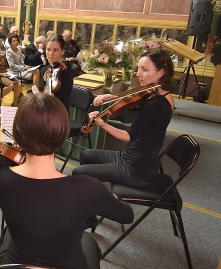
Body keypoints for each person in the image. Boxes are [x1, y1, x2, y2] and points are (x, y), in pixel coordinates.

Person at [0, 94, 133, 269]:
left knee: (8, 236)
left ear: (17, 132)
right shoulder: (88, 188)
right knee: (90, 245)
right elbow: (127, 216)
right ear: (63, 134)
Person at [72, 49, 176, 187]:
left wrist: (102, 124)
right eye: (139, 68)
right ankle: (91, 191)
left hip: (135, 168)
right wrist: (112, 97)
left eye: (144, 70)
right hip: (131, 156)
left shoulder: (157, 104)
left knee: (77, 172)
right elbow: (134, 102)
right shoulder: (160, 94)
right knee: (86, 155)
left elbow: (128, 136)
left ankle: (91, 196)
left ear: (161, 72)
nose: (138, 74)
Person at [33, 35, 73, 111]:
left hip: (59, 114)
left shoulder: (66, 72)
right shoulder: (44, 70)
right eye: (48, 49)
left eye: (55, 50)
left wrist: (52, 100)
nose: (51, 53)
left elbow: (64, 100)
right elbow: (40, 91)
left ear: (62, 51)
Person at [0, 37, 21, 106]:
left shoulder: (1, 56)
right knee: (11, 85)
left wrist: (9, 72)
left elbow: (6, 67)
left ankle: (14, 103)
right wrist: (2, 74)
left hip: (6, 73)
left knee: (19, 84)